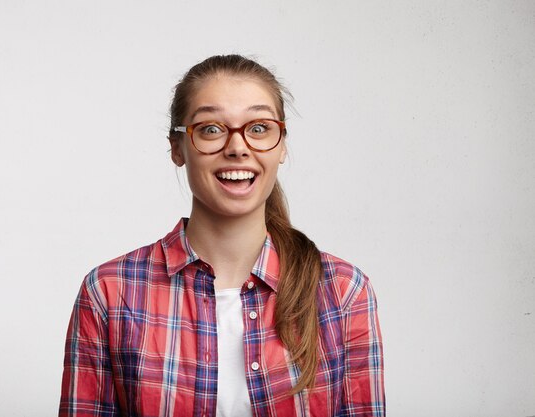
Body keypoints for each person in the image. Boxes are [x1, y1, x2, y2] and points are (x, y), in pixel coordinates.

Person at [59, 54, 385, 417]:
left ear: (282, 146)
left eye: (259, 128)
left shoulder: (344, 292)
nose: (237, 147)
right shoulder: (109, 292)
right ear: (177, 148)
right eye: (211, 129)